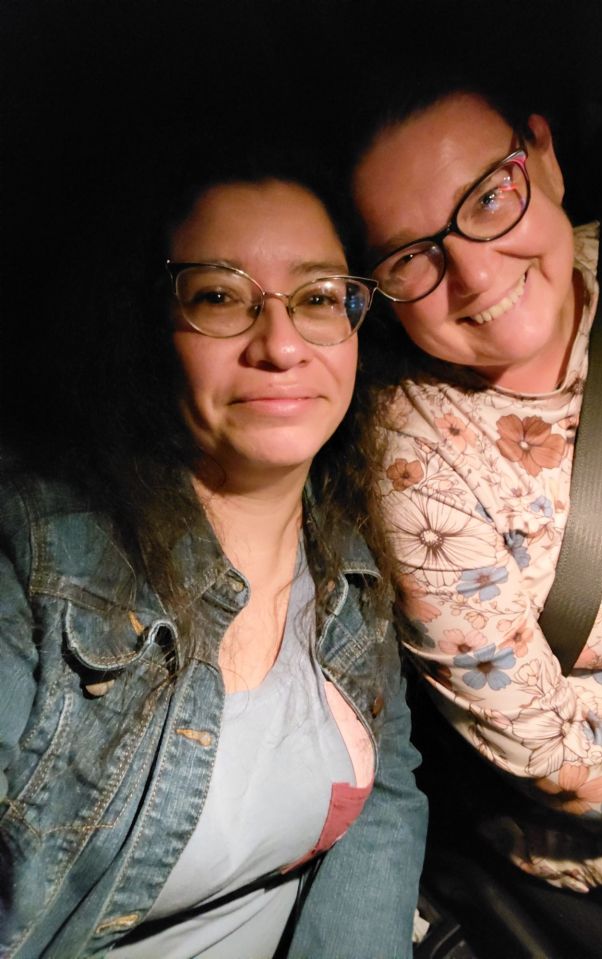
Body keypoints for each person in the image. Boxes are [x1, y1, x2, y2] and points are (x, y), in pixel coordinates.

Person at [0, 148, 427, 958]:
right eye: (221, 297)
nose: (281, 345)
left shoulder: (353, 563)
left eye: (318, 297)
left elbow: (384, 803)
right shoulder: (39, 560)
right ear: (148, 330)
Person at [350, 78, 602, 957]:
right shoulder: (412, 454)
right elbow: (552, 753)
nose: (476, 274)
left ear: (543, 161)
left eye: (489, 197)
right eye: (412, 257)